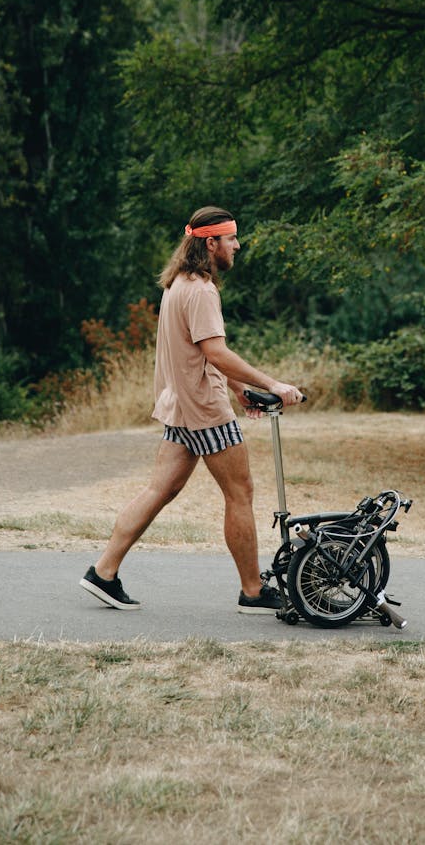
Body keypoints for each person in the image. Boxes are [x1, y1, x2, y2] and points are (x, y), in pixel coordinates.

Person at [80, 206, 305, 614]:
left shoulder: (178, 284)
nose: (237, 245)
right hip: (203, 409)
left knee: (159, 490)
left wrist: (239, 389)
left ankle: (103, 573)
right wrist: (271, 384)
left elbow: (202, 352)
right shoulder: (201, 289)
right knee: (240, 494)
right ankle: (252, 592)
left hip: (181, 406)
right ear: (210, 242)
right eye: (231, 238)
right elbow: (216, 351)